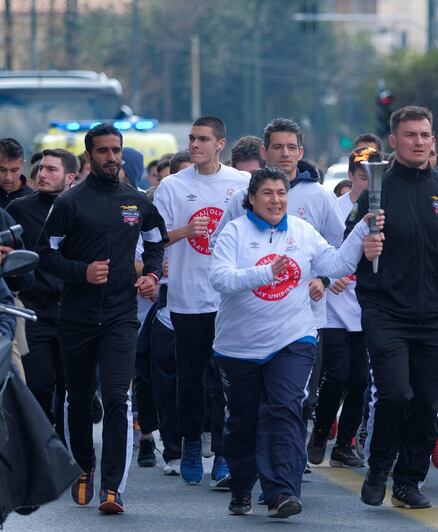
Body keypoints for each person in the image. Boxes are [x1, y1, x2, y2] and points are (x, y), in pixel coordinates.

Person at [210, 167, 382, 518]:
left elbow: (336, 263)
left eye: (282, 193)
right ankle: (242, 487)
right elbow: (221, 279)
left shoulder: (302, 232)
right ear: (252, 198)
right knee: (244, 420)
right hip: (238, 346)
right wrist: (265, 272)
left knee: (286, 409)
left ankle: (282, 493)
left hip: (292, 338)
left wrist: (362, 229)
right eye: (268, 193)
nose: (276, 200)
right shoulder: (234, 232)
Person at [354, 106, 438, 509]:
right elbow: (350, 248)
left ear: (433, 141)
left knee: (430, 403)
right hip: (386, 310)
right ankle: (379, 467)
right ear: (394, 141)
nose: (418, 142)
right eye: (410, 135)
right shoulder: (378, 192)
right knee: (396, 394)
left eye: (425, 135)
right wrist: (365, 248)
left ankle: (409, 480)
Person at [36, 124, 167, 513]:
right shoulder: (69, 203)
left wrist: (152, 275)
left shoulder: (136, 201)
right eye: (104, 151)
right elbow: (46, 254)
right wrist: (82, 272)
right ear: (89, 155)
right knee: (77, 398)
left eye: (116, 150)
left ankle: (113, 487)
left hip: (120, 315)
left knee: (116, 398)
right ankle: (83, 466)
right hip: (75, 316)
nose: (112, 157)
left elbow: (157, 240)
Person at [216, 118, 345, 429]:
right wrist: (255, 271)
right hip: (250, 320)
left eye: (291, 147)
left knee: (299, 399)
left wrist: (323, 280)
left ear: (300, 151)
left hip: (303, 319)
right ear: (264, 150)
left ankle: (290, 457)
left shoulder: (320, 196)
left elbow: (338, 252)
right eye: (277, 147)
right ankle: (255, 459)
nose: (285, 153)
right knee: (252, 403)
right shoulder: (242, 198)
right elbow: (220, 246)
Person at [153, 116, 250, 488]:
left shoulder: (241, 184)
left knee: (226, 381)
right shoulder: (172, 187)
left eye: (202, 139)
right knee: (190, 380)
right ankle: (191, 444)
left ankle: (224, 453)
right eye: (191, 138)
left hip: (228, 300)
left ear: (220, 144)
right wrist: (184, 231)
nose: (194, 145)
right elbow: (153, 239)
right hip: (187, 298)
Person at [306, 147, 374, 469]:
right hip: (333, 304)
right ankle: (320, 433)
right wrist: (329, 277)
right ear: (351, 176)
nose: (368, 183)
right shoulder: (335, 210)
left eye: (375, 177)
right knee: (337, 374)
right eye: (363, 176)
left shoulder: (384, 209)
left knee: (360, 379)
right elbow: (322, 253)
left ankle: (345, 443)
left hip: (368, 306)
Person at [7, 149, 77, 441]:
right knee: (38, 382)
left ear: (70, 177)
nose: (42, 175)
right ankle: (41, 442)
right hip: (34, 309)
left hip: (74, 309)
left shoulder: (81, 206)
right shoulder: (19, 209)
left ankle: (63, 447)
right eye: (41, 168)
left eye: (51, 170)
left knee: (71, 386)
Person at [0, 138, 34, 208]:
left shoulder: (32, 199)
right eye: (2, 170)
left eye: (14, 170)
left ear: (23, 165)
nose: (8, 177)